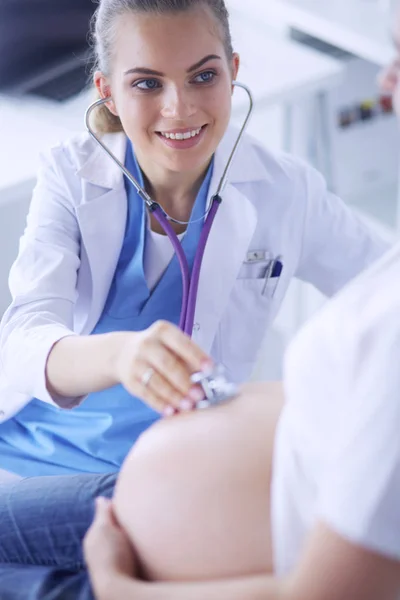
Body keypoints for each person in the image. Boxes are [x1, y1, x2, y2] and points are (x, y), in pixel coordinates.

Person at [0, 0, 394, 596]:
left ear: (234, 71)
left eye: (204, 76)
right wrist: (122, 356)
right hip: (33, 461)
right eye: (146, 84)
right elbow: (24, 338)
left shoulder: (286, 192)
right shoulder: (70, 178)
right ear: (107, 91)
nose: (178, 108)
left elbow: (380, 281)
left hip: (158, 486)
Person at [82, 241, 400, 600]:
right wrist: (115, 355)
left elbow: (333, 593)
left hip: (184, 579)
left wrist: (117, 589)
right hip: (150, 505)